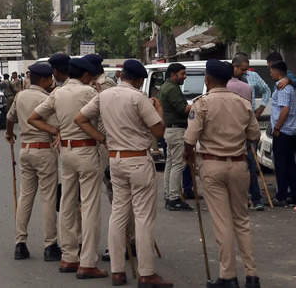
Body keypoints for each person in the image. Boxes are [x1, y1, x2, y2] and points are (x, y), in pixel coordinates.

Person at [77, 59, 171, 288]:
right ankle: (146, 273)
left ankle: (117, 271)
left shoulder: (104, 95)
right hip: (138, 159)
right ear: (139, 80)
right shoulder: (138, 97)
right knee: (142, 217)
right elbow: (158, 130)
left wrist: (102, 139)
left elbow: (80, 119)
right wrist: (159, 111)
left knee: (118, 214)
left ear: (121, 75)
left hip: (116, 159)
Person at [184, 60, 262, 288]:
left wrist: (188, 157)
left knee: (222, 223)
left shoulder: (202, 104)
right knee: (242, 220)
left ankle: (227, 276)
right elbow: (254, 135)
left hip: (212, 165)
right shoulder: (243, 103)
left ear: (208, 79)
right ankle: (252, 275)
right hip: (238, 165)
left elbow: (190, 139)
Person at [29, 55, 108, 279]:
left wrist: (56, 131)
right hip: (87, 149)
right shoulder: (89, 93)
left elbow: (34, 118)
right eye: (92, 76)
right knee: (90, 206)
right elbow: (102, 119)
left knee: (67, 204)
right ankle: (88, 261)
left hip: (66, 151)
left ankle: (69, 257)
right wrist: (103, 138)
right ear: (85, 75)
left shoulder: (58, 92)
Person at [5, 62, 62, 262]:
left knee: (25, 197)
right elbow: (56, 126)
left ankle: (20, 243)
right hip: (44, 151)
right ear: (45, 80)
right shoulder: (47, 99)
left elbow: (9, 117)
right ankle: (50, 244)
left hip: (25, 150)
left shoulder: (20, 96)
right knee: (48, 198)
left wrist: (9, 133)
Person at [228, 56, 263, 210]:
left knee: (235, 166)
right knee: (250, 165)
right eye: (242, 69)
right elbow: (248, 112)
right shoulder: (244, 86)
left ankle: (243, 199)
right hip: (244, 131)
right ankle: (256, 199)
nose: (244, 72)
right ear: (234, 67)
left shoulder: (227, 85)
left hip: (230, 133)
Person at [156, 63, 193, 211]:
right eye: (182, 74)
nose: (185, 77)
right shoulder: (171, 88)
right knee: (178, 164)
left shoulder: (167, 87)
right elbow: (182, 109)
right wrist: (196, 105)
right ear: (173, 74)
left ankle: (169, 194)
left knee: (171, 163)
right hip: (176, 130)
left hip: (170, 130)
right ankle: (174, 198)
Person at [269, 60, 296, 208]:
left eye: (272, 71)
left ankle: (282, 196)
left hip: (283, 131)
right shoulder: (289, 86)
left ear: (278, 72)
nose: (271, 74)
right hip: (290, 130)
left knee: (281, 165)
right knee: (290, 165)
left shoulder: (283, 88)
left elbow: (285, 109)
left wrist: (277, 127)